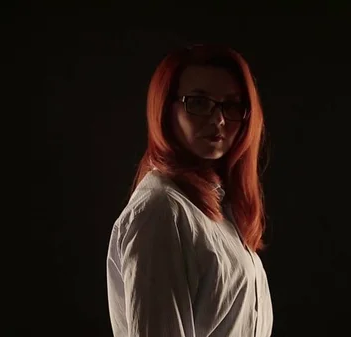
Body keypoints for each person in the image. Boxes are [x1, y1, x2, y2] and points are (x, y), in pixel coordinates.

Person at [106, 44, 273, 337]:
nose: (219, 119)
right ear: (166, 109)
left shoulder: (222, 208)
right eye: (198, 102)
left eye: (232, 105)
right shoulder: (161, 210)